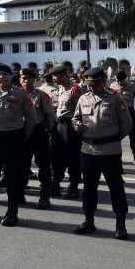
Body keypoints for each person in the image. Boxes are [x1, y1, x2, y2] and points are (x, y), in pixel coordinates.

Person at [72, 67, 133, 239]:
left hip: (110, 152)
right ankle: (89, 220)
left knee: (116, 188)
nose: (90, 88)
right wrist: (76, 125)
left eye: (94, 84)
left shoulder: (115, 99)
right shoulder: (83, 99)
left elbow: (126, 125)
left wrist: (110, 139)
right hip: (88, 150)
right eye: (88, 84)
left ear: (103, 82)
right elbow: (75, 119)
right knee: (89, 188)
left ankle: (120, 225)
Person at [0, 64, 37, 227]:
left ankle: (12, 212)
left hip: (13, 138)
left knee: (12, 177)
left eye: (4, 74)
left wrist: (23, 136)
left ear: (11, 76)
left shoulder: (20, 94)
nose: (0, 77)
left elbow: (31, 118)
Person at [20, 68, 55, 209]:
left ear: (34, 80)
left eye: (29, 78)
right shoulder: (15, 95)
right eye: (23, 78)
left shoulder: (41, 95)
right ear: (19, 80)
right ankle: (19, 193)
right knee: (22, 165)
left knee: (44, 165)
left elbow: (51, 115)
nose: (26, 80)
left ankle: (44, 196)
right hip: (21, 132)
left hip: (38, 132)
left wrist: (47, 129)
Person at [51, 64, 84, 199]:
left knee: (73, 158)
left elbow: (80, 110)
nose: (53, 78)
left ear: (65, 75)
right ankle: (56, 185)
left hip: (71, 127)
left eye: (56, 75)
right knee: (57, 157)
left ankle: (73, 187)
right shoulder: (60, 89)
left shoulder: (75, 89)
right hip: (59, 125)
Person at [110, 70, 135, 166]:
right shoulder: (112, 86)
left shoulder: (131, 86)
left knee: (133, 136)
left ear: (124, 79)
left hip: (129, 112)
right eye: (118, 80)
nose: (119, 83)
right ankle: (117, 159)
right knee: (116, 137)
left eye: (121, 81)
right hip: (116, 113)